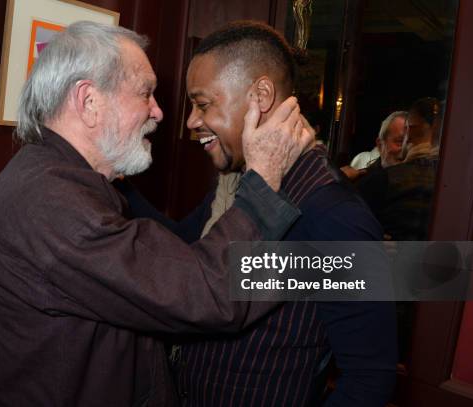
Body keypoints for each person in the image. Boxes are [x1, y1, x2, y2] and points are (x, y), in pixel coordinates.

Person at [0, 21, 313, 406]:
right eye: (145, 93)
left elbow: (173, 253)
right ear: (88, 102)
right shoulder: (48, 203)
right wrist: (264, 180)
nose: (161, 112)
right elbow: (203, 290)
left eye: (202, 104)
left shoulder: (68, 183)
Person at [120, 21, 397, 406]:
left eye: (202, 104)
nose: (191, 121)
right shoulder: (239, 185)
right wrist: (113, 179)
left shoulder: (335, 216)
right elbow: (184, 250)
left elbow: (369, 379)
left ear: (260, 96)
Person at [357, 98, 441, 241]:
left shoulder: (442, 181)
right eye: (398, 141)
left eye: (405, 140)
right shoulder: (367, 178)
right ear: (379, 144)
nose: (402, 149)